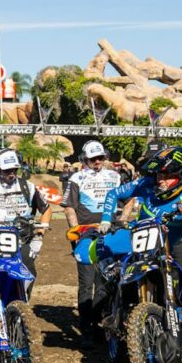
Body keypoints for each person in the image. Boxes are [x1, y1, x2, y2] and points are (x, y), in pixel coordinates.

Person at [97, 146, 182, 348]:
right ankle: (125, 316)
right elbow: (115, 194)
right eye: (156, 172)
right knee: (119, 263)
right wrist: (107, 220)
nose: (158, 178)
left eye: (164, 173)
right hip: (148, 236)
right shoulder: (148, 182)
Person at [63, 140, 124, 345]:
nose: (97, 162)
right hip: (86, 234)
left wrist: (122, 220)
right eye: (93, 159)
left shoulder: (115, 176)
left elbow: (129, 199)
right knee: (86, 282)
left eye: (100, 158)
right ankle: (86, 327)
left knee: (105, 281)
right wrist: (76, 230)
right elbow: (69, 207)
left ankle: (99, 324)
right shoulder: (76, 178)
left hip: (110, 233)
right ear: (85, 159)